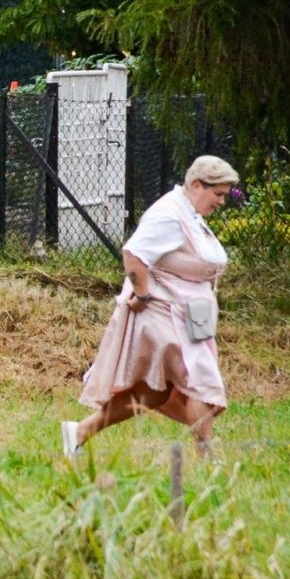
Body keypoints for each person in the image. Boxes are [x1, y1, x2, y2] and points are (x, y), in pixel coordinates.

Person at [62, 155, 241, 460]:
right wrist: (143, 294)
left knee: (154, 390)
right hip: (165, 313)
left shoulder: (188, 213)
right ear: (197, 185)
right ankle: (208, 458)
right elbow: (134, 253)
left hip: (190, 315)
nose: (221, 202)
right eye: (218, 194)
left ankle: (79, 432)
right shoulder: (170, 214)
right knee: (199, 379)